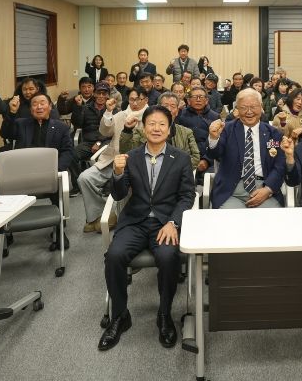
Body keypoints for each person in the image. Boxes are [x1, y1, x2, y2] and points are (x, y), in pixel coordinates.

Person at [99, 105, 196, 352]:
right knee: (114, 256)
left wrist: (174, 223)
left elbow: (187, 196)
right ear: (143, 127)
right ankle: (120, 315)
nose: (156, 128)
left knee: (168, 257)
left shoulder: (181, 158)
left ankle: (164, 314)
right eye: (151, 123)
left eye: (162, 124)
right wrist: (117, 173)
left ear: (169, 129)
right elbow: (118, 194)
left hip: (165, 223)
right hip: (135, 221)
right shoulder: (131, 157)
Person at [0, 93, 73, 249]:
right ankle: (6, 234)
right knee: (1, 188)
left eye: (42, 103)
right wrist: (11, 112)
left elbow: (68, 151)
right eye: (34, 104)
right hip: (23, 175)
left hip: (49, 175)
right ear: (30, 108)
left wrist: (56, 170)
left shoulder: (61, 127)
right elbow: (5, 133)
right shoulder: (21, 124)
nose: (39, 107)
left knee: (60, 186)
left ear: (50, 106)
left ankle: (59, 230)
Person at [77, 86, 149, 234]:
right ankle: (98, 215)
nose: (135, 103)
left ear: (146, 100)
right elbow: (105, 131)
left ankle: (116, 217)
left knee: (127, 187)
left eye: (138, 99)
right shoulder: (121, 115)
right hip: (111, 160)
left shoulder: (151, 116)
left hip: (137, 165)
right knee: (84, 178)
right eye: (132, 100)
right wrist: (109, 112)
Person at [207, 89, 286, 209]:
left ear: (261, 107)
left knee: (270, 218)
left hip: (264, 188)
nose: (249, 112)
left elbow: (280, 166)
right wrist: (213, 138)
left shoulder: (273, 133)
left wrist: (268, 189)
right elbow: (214, 154)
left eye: (253, 107)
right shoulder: (226, 129)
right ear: (237, 109)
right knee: (228, 219)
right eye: (243, 107)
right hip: (231, 190)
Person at [176, 86, 220, 179]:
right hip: (185, 158)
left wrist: (207, 160)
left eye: (201, 97)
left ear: (206, 100)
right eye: (195, 97)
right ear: (188, 101)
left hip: (208, 160)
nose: (198, 100)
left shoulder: (215, 117)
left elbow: (218, 143)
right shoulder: (180, 115)